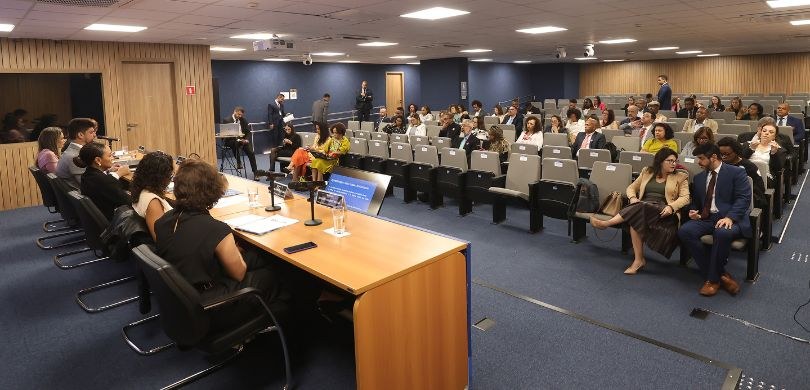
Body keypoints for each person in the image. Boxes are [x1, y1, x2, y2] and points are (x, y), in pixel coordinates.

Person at [154, 159, 292, 331]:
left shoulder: (163, 221)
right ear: (212, 190)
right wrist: (232, 250)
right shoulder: (215, 228)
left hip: (181, 301)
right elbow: (238, 274)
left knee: (256, 259)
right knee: (274, 273)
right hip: (209, 307)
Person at [591, 148, 689, 273]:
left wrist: (671, 207)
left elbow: (685, 198)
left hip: (664, 212)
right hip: (642, 207)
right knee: (637, 217)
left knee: (640, 208)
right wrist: (632, 198)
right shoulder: (647, 171)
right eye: (669, 161)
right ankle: (638, 260)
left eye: (675, 161)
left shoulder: (681, 176)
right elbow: (632, 187)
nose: (673, 164)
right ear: (660, 161)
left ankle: (606, 224)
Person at [678, 143, 751, 297]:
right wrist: (694, 211)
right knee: (685, 231)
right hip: (706, 218)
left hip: (730, 218)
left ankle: (712, 280)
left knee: (722, 233)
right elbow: (696, 202)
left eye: (701, 159)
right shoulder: (699, 178)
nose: (699, 162)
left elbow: (743, 199)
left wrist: (730, 217)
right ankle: (721, 275)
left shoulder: (736, 173)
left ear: (714, 157)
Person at [75, 142, 132, 221]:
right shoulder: (104, 181)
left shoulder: (87, 174)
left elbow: (103, 182)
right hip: (114, 221)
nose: (112, 158)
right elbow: (129, 201)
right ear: (98, 160)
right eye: (109, 155)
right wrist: (119, 174)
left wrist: (109, 172)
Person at [131, 151, 175, 240]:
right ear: (161, 177)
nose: (170, 179)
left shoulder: (142, 190)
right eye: (170, 175)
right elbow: (161, 239)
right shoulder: (153, 202)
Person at [718, 137, 767, 213]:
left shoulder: (749, 167)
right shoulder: (718, 165)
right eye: (721, 154)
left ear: (736, 152)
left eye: (727, 154)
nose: (723, 157)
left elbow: (760, 189)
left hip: (745, 198)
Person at [56, 118, 98, 188]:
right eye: (91, 132)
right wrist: (114, 174)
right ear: (80, 135)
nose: (94, 135)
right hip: (81, 196)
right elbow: (89, 185)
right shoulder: (75, 156)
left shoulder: (71, 151)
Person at [223, 106, 258, 179]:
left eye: (241, 115)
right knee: (235, 143)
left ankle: (256, 173)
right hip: (230, 140)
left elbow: (248, 132)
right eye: (238, 114)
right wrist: (237, 139)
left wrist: (246, 139)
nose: (240, 116)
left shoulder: (243, 120)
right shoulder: (226, 120)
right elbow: (225, 134)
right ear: (234, 112)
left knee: (251, 152)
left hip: (242, 140)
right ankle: (238, 162)